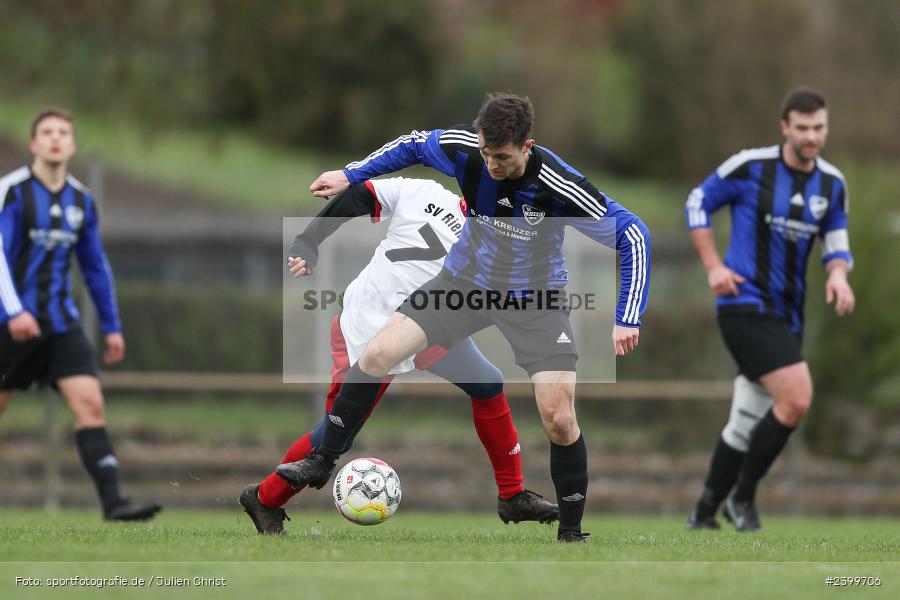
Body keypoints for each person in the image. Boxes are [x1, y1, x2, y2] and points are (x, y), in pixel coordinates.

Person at [278, 93, 651, 543]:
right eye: (486, 154)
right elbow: (414, 144)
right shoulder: (465, 150)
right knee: (378, 353)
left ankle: (571, 533)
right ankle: (323, 460)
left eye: (503, 157)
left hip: (534, 300)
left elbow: (633, 233)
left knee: (558, 417)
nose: (491, 164)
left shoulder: (557, 183)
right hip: (465, 284)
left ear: (527, 146)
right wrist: (350, 173)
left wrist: (627, 315)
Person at [240, 177, 558, 534]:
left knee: (487, 382)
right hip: (369, 330)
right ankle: (265, 499)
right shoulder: (422, 191)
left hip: (426, 327)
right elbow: (361, 194)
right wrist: (307, 240)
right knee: (334, 434)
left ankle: (512, 495)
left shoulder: (496, 240)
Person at [684, 87, 854, 531]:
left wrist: (838, 275)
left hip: (788, 316)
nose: (811, 136)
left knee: (745, 420)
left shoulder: (832, 184)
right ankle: (742, 499)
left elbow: (836, 241)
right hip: (742, 304)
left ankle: (703, 514)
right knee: (796, 399)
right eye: (802, 128)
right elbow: (698, 201)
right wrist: (713, 266)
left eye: (819, 127)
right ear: (785, 127)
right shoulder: (750, 166)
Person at [0, 108, 161, 521]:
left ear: (71, 145)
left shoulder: (81, 200)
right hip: (8, 325)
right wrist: (14, 311)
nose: (55, 139)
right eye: (47, 132)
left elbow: (94, 267)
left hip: (59, 325)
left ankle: (114, 504)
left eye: (63, 133)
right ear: (33, 144)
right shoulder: (12, 192)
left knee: (89, 403)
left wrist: (112, 327)